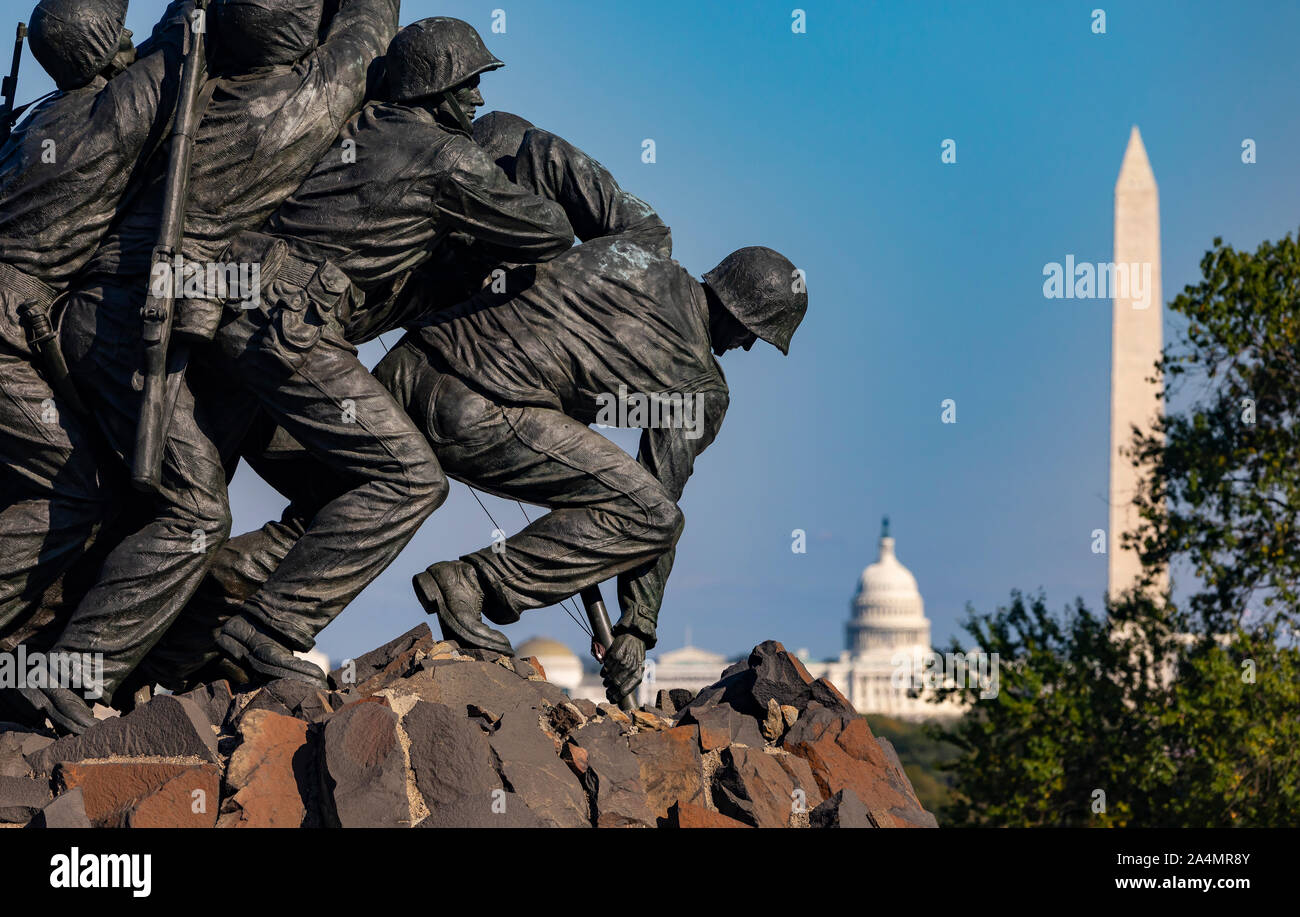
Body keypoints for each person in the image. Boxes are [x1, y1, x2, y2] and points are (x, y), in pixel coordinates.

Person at [45, 0, 399, 724]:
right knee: (197, 510)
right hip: (127, 320)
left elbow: (173, 24)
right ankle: (70, 673)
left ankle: (115, 663)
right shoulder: (304, 103)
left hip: (101, 310)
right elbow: (369, 26)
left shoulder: (179, 71)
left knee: (137, 501)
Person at [374, 215, 807, 702]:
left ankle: (273, 591)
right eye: (755, 333)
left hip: (404, 365)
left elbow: (538, 152)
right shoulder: (703, 388)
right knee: (652, 515)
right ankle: (471, 582)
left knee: (327, 503)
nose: (746, 345)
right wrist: (636, 628)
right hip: (474, 412)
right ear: (740, 313)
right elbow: (657, 499)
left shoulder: (639, 245)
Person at [0, 0, 195, 732]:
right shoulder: (113, 111)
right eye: (117, 26)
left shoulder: (29, 125)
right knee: (74, 487)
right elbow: (181, 38)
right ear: (108, 42)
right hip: (6, 316)